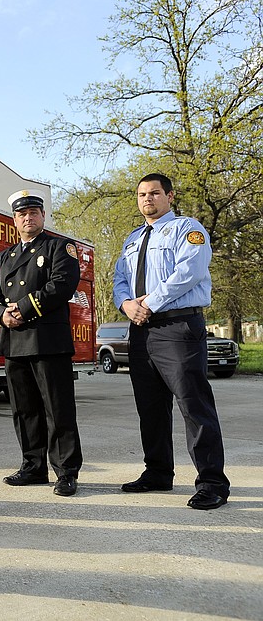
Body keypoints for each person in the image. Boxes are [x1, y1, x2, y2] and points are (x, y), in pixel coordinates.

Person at [113, 173, 230, 510]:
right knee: (150, 407)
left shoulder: (186, 229)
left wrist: (147, 303)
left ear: (169, 196)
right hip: (141, 329)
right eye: (141, 195)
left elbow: (189, 271)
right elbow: (120, 279)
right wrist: (127, 304)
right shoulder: (133, 239)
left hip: (178, 326)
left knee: (193, 404)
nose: (147, 199)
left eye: (154, 193)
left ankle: (212, 483)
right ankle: (158, 473)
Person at [0, 189, 83, 497]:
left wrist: (22, 309)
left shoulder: (59, 247)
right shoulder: (5, 256)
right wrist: (2, 313)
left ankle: (66, 471)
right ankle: (33, 466)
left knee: (58, 409)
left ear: (42, 216)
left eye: (33, 213)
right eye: (21, 214)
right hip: (14, 340)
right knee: (24, 409)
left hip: (47, 339)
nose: (28, 218)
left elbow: (62, 285)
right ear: (14, 219)